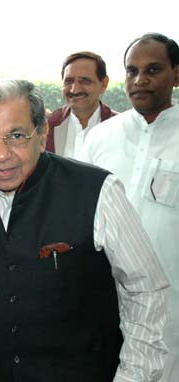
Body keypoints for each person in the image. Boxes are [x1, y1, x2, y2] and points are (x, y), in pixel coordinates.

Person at [0, 79, 169, 382]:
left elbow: (146, 290)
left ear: (42, 134)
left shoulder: (97, 192)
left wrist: (132, 378)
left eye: (16, 136)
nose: (0, 154)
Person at [80, 32, 179, 381]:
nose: (140, 80)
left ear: (177, 74)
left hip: (172, 306)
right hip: (104, 301)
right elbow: (81, 216)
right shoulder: (100, 137)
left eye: (153, 70)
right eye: (132, 71)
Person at [46, 51, 117, 158]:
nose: (75, 89)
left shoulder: (119, 127)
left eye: (85, 81)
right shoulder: (46, 126)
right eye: (69, 81)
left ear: (104, 84)